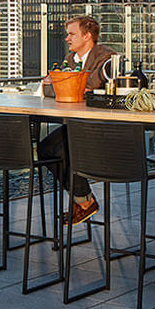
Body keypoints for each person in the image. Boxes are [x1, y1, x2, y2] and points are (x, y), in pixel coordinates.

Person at [38, 16, 115, 225]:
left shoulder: (107, 58)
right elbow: (49, 89)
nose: (67, 38)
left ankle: (83, 201)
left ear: (87, 36)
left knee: (63, 148)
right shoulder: (70, 59)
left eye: (71, 34)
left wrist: (65, 86)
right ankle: (84, 200)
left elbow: (84, 89)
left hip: (101, 128)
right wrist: (66, 87)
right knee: (45, 149)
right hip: (76, 124)